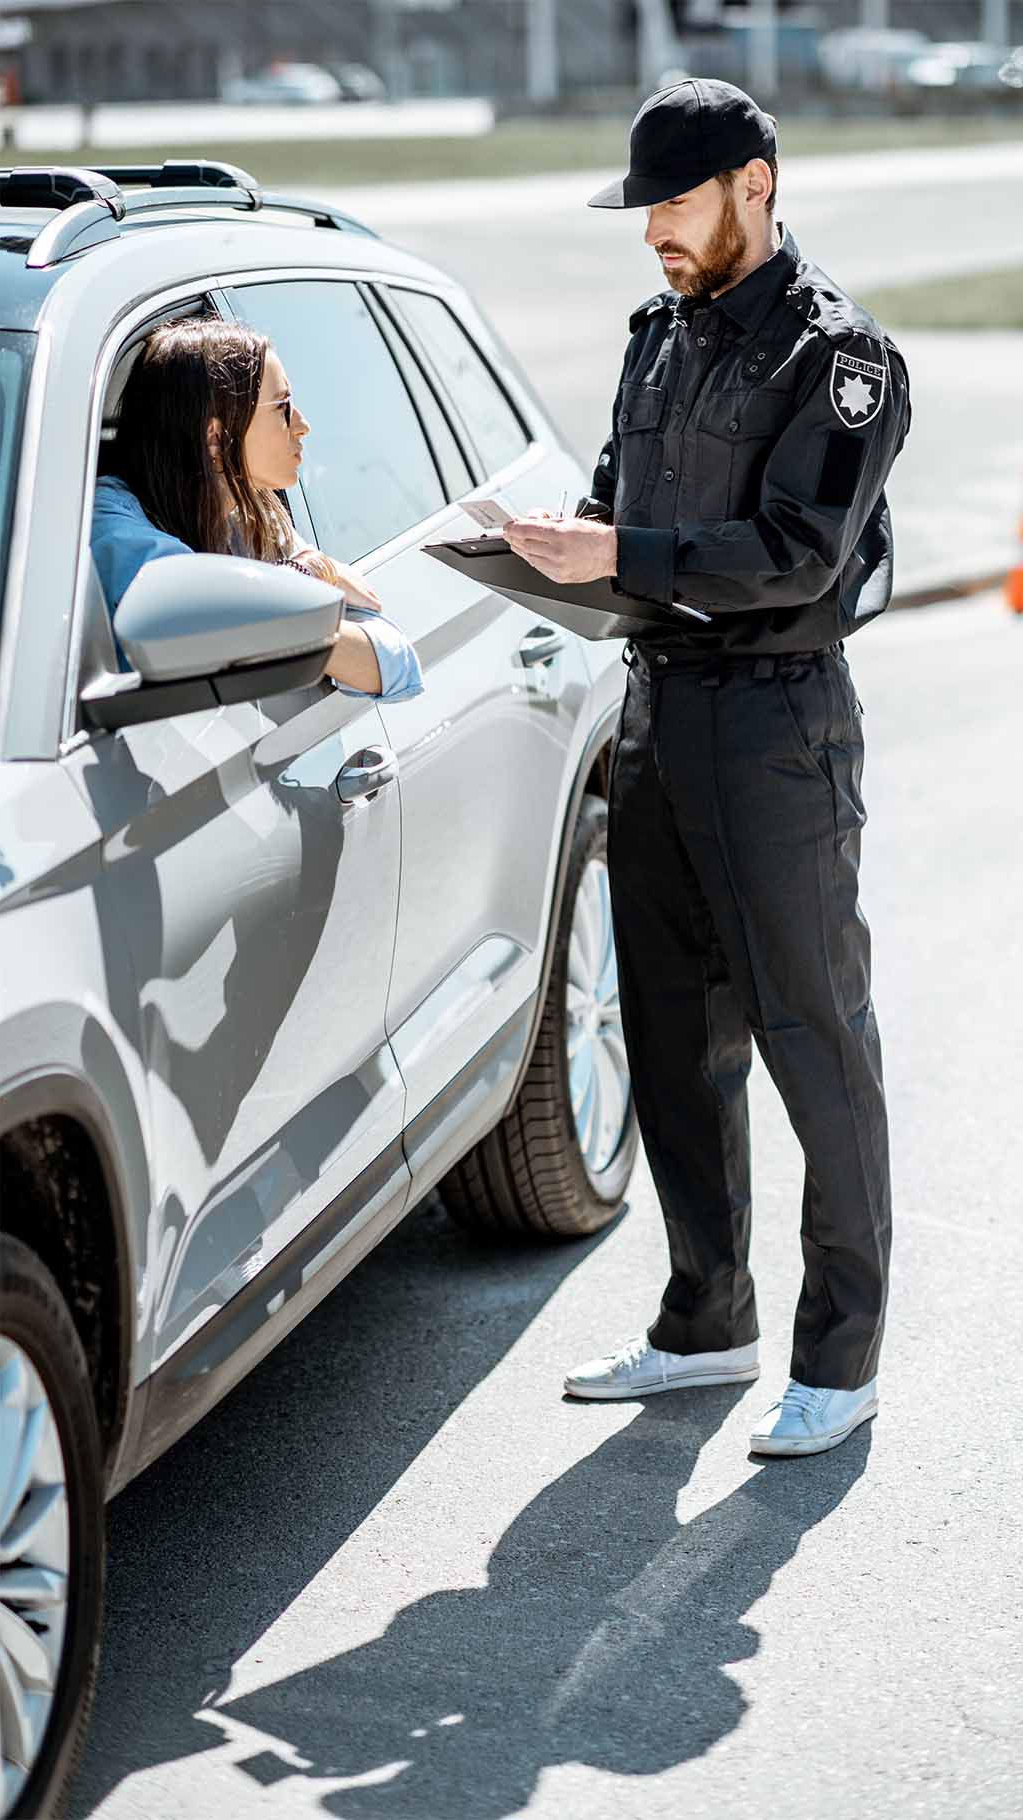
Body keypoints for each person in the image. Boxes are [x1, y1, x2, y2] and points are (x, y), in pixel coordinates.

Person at [504, 79, 912, 1458]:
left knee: (813, 1038)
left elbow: (801, 549)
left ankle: (839, 1358)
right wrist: (560, 539)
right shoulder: (658, 340)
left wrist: (620, 555)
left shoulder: (840, 358)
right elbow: (627, 506)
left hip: (778, 728)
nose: (654, 236)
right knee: (676, 1043)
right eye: (644, 211)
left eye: (673, 205)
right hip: (656, 718)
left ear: (756, 183)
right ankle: (703, 1322)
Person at [91, 316, 423, 704]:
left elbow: (396, 666)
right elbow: (208, 611)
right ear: (215, 438)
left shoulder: (251, 511)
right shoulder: (110, 525)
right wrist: (313, 571)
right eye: (283, 408)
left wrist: (296, 588)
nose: (302, 426)